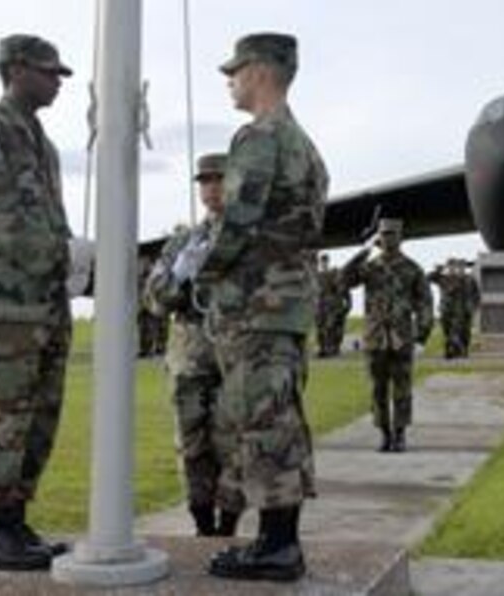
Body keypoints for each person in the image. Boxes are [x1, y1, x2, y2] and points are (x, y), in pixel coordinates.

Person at [195, 32, 328, 581]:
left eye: (237, 70)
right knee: (280, 419)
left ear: (262, 72)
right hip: (286, 305)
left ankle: (276, 547)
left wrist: (199, 273)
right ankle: (278, 540)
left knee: (263, 423)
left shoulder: (258, 138)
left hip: (256, 307)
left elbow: (238, 224)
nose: (231, 80)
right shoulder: (305, 145)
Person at [0, 34, 77, 570]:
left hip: (45, 304)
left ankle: (15, 521)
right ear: (17, 68)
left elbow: (49, 217)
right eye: (51, 72)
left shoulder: (42, 142)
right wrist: (63, 255)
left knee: (38, 418)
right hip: (3, 304)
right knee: (4, 418)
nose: (57, 82)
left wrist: (74, 260)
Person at [144, 153, 244, 537]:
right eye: (204, 181)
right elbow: (154, 300)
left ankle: (229, 525)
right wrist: (181, 274)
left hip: (235, 354)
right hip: (189, 355)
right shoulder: (183, 241)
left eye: (219, 179)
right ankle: (203, 526)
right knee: (191, 444)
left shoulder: (249, 239)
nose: (211, 187)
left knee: (233, 443)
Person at [342, 218, 433, 453]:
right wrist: (364, 250)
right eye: (384, 234)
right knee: (377, 390)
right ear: (378, 238)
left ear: (401, 237)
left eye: (392, 234)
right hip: (375, 338)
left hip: (401, 338)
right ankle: (384, 434)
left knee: (402, 389)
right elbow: (343, 279)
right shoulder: (370, 267)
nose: (388, 238)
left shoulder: (412, 268)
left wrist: (422, 336)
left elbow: (425, 303)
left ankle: (400, 435)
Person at [428, 258, 480, 358]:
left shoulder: (467, 279)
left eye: (456, 266)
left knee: (460, 331)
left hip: (460, 310)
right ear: (448, 267)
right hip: (445, 309)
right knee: (447, 331)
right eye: (451, 266)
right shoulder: (443, 278)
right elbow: (429, 278)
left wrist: (473, 307)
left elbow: (476, 294)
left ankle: (457, 350)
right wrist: (438, 270)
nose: (454, 268)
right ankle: (452, 350)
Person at [315, 253, 352, 357]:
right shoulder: (317, 275)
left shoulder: (335, 273)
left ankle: (333, 348)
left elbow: (344, 289)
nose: (324, 263)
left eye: (325, 261)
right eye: (322, 261)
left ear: (328, 261)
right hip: (320, 306)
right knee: (321, 328)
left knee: (333, 328)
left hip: (333, 306)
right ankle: (323, 349)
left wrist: (348, 303)